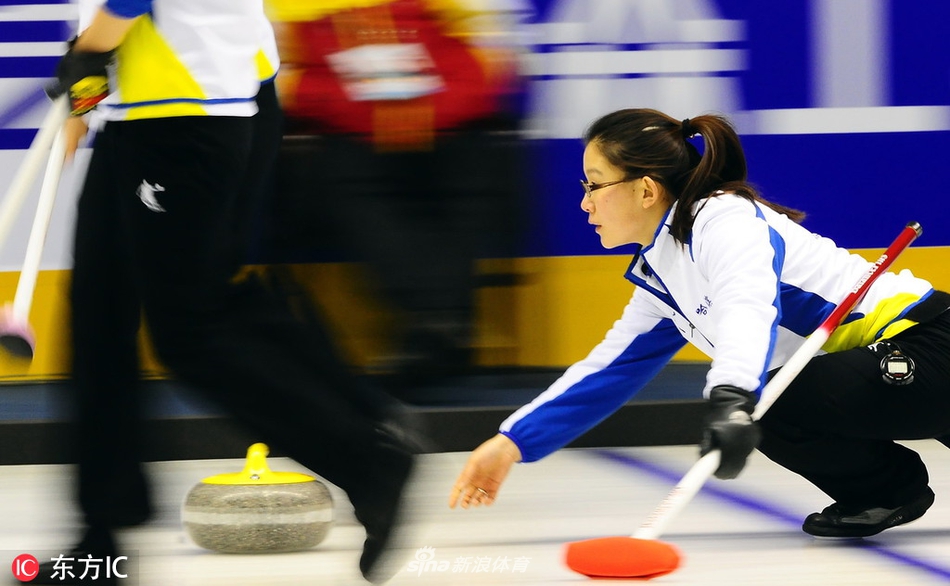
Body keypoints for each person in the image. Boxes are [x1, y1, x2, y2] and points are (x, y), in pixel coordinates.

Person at [34, 1, 420, 584]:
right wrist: (88, 91)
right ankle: (101, 537)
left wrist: (90, 52)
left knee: (193, 329)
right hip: (180, 102)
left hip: (184, 115)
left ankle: (365, 458)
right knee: (100, 312)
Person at [448, 108, 950, 540]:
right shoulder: (664, 272)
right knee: (765, 402)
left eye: (594, 185)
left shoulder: (725, 221)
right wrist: (512, 442)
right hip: (900, 366)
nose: (585, 203)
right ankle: (884, 490)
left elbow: (746, 308)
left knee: (768, 405)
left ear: (646, 189)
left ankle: (889, 490)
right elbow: (608, 369)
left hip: (925, 343)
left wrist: (730, 398)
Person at [263, 0, 527, 390]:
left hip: (447, 122)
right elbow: (291, 80)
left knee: (471, 168)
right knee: (345, 177)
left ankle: (437, 322)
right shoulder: (292, 9)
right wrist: (375, 114)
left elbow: (486, 65)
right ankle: (440, 320)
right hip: (353, 133)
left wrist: (426, 113)